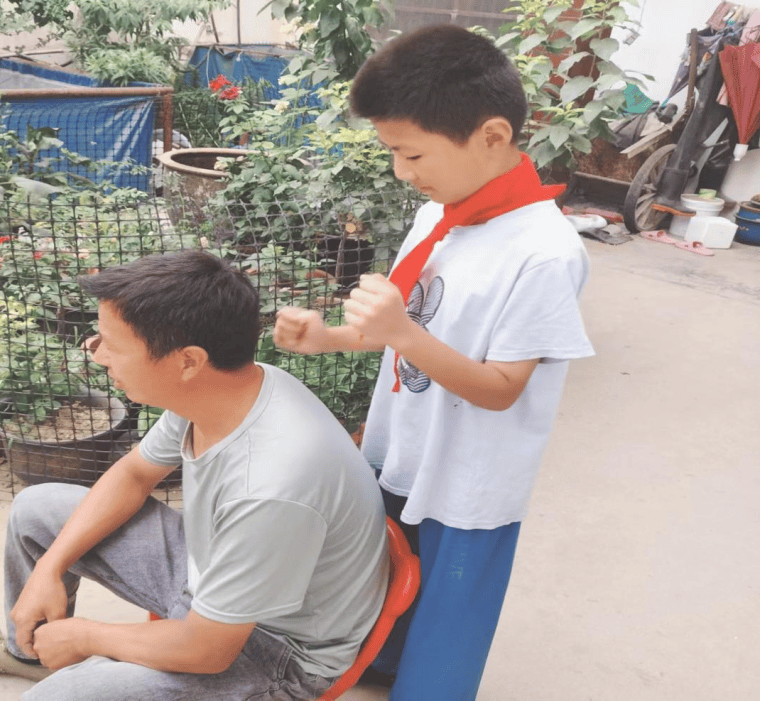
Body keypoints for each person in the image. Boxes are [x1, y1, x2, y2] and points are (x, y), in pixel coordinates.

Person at [274, 24, 594, 701]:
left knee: (447, 625)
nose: (401, 170)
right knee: (380, 581)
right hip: (402, 449)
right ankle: (383, 666)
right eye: (393, 151)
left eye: (411, 152)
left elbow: (504, 387)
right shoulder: (440, 216)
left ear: (492, 136)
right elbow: (408, 327)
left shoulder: (543, 252)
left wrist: (402, 335)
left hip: (469, 482)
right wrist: (331, 336)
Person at [0, 250, 389, 700]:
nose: (99, 357)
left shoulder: (272, 484)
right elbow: (134, 474)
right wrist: (48, 569)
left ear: (188, 361)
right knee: (37, 510)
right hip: (215, 582)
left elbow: (208, 650)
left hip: (275, 651)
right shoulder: (226, 391)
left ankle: (57, 667)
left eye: (113, 344)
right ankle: (29, 655)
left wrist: (85, 637)